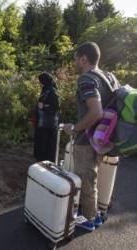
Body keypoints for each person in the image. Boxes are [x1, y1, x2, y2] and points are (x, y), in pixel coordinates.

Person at [63, 42, 119, 231]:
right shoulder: (109, 77)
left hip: (87, 140)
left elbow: (96, 112)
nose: (74, 62)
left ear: (84, 59)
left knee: (86, 181)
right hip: (103, 138)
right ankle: (94, 213)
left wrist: (75, 128)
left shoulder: (86, 78)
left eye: (75, 58)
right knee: (92, 178)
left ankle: (89, 220)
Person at [33, 72, 60, 162]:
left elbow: (56, 106)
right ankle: (41, 160)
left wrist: (44, 106)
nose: (40, 83)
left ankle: (44, 162)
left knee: (46, 144)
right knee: (42, 143)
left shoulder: (52, 91)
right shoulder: (46, 89)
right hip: (44, 122)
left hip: (47, 123)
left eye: (41, 81)